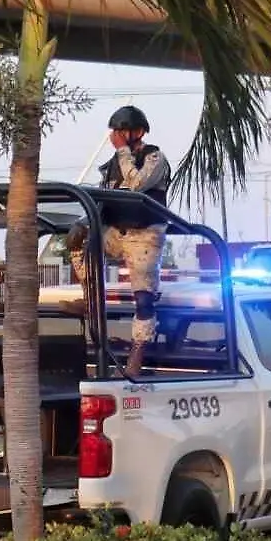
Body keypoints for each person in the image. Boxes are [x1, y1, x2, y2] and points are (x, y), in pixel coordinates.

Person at [65, 105, 171, 375]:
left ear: (137, 132)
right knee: (79, 242)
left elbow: (136, 185)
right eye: (116, 133)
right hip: (117, 230)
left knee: (144, 298)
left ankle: (138, 352)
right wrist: (82, 224)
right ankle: (89, 299)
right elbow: (103, 199)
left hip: (144, 233)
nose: (117, 137)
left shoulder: (154, 158)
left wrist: (124, 151)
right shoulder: (111, 165)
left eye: (122, 132)